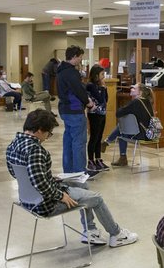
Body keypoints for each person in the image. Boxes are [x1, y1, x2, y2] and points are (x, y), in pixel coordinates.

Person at [6, 109, 138, 247]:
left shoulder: (13, 145)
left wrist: (48, 177)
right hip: (45, 204)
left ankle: (90, 230)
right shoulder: (35, 150)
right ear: (39, 130)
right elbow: (40, 183)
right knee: (97, 199)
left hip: (27, 199)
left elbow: (17, 174)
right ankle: (116, 235)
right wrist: (60, 195)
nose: (47, 137)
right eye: (48, 133)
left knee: (82, 185)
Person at [56, 45, 93, 173]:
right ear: (74, 57)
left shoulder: (60, 70)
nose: (80, 60)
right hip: (75, 110)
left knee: (68, 142)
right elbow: (78, 90)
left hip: (65, 110)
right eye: (80, 57)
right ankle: (79, 172)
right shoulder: (71, 72)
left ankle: (68, 171)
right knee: (79, 143)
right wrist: (88, 102)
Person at [101, 84, 155, 167]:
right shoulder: (147, 102)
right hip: (149, 134)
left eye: (134, 88)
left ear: (140, 92)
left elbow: (118, 113)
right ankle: (107, 144)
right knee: (123, 127)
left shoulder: (136, 102)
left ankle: (110, 146)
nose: (131, 89)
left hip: (140, 135)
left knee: (122, 130)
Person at [86, 65, 109, 172]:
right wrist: (103, 88)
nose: (103, 77)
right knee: (94, 137)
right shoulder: (90, 86)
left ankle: (98, 158)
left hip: (102, 113)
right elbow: (100, 99)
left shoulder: (100, 86)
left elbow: (106, 100)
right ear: (96, 75)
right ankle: (90, 160)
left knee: (99, 137)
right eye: (102, 74)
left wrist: (104, 89)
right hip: (94, 114)